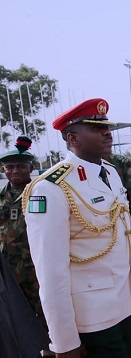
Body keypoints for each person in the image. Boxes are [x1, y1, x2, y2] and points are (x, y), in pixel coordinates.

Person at [23, 98, 131, 357]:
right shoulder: (50, 187)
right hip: (91, 318)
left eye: (106, 127)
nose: (107, 132)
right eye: (96, 128)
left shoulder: (110, 172)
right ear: (73, 138)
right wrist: (65, 342)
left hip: (125, 306)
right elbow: (50, 273)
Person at [0, 136, 53, 356]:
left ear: (31, 167)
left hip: (36, 269)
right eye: (9, 167)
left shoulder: (41, 192)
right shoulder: (1, 198)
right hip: (9, 272)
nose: (14, 171)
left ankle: (51, 349)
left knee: (45, 314)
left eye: (20, 166)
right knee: (15, 317)